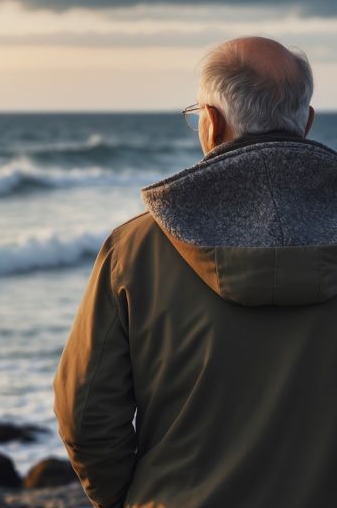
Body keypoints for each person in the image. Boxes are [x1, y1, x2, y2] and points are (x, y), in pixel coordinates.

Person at [53, 36, 337, 508]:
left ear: (211, 123)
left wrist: (131, 499)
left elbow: (84, 415)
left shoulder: (135, 248)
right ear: (306, 122)